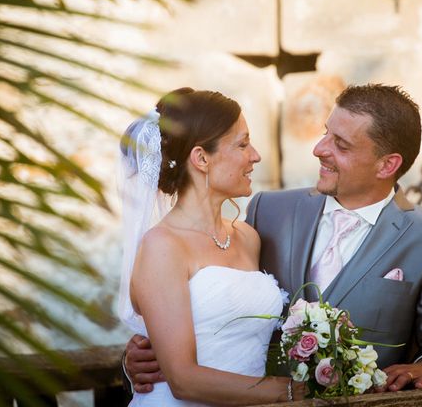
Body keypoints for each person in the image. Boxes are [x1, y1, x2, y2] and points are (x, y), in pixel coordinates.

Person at [124, 84, 422, 395]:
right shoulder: (270, 211)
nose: (319, 149)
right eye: (326, 132)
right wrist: (143, 351)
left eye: (340, 144)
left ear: (386, 165)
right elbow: (209, 311)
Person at [118, 87, 305, 406]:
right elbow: (183, 380)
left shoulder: (248, 238)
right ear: (202, 158)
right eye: (243, 144)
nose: (256, 155)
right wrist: (292, 392)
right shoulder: (162, 246)